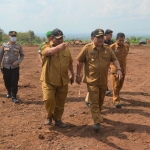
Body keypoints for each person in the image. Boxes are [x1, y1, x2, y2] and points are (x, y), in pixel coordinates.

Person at [76, 28, 122, 132]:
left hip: (103, 81)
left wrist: (119, 69)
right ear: (93, 38)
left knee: (100, 101)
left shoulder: (107, 48)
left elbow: (114, 59)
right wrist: (78, 75)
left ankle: (97, 114)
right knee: (94, 101)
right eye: (98, 37)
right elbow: (79, 61)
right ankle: (96, 121)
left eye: (102, 37)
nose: (101, 39)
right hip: (91, 80)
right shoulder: (87, 48)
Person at [40, 28, 74, 128]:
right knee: (49, 99)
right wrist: (59, 48)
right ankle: (49, 115)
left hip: (63, 80)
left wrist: (72, 73)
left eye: (61, 38)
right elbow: (48, 52)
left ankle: (58, 119)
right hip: (48, 80)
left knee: (60, 102)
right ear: (52, 38)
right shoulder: (46, 46)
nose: (60, 40)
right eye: (58, 38)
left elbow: (70, 62)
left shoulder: (66, 49)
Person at [0, 31, 24, 103]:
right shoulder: (4, 45)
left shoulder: (18, 46)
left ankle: (14, 96)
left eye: (14, 36)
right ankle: (9, 92)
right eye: (12, 36)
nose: (13, 38)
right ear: (9, 37)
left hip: (15, 67)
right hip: (6, 66)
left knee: (14, 81)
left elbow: (22, 55)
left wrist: (18, 62)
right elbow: (0, 55)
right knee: (6, 81)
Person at [110, 33, 129, 108]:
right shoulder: (112, 47)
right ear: (116, 39)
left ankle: (115, 94)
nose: (121, 42)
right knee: (116, 84)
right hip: (115, 69)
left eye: (122, 40)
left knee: (120, 84)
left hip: (123, 69)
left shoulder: (126, 47)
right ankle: (116, 101)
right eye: (120, 40)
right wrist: (109, 67)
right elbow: (107, 58)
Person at [104, 29, 114, 95]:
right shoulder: (102, 42)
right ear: (106, 35)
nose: (111, 36)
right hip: (103, 61)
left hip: (109, 61)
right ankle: (105, 89)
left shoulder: (111, 42)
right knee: (104, 75)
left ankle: (105, 89)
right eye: (110, 35)